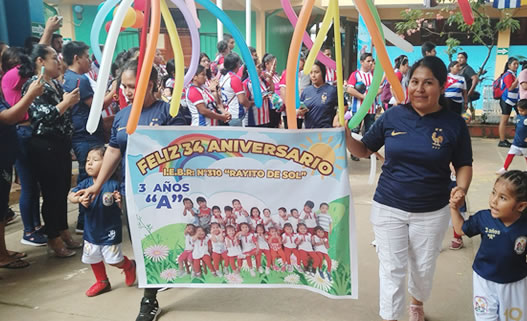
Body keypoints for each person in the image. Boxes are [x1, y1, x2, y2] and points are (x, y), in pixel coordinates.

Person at [345, 56, 473, 321]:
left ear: (442, 85)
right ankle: (390, 316)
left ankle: (417, 303)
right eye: (414, 81)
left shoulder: (454, 124)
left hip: (432, 210)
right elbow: (365, 148)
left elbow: (463, 163)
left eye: (428, 82)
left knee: (423, 268)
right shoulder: (393, 116)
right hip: (389, 205)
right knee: (391, 268)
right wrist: (346, 135)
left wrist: (461, 188)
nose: (419, 88)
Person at [75, 59, 187, 321]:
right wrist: (96, 185)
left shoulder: (171, 111)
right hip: (133, 193)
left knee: (168, 238)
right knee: (143, 242)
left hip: (166, 191)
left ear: (151, 85)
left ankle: (160, 281)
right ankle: (150, 297)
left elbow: (182, 148)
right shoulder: (122, 117)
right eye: (124, 86)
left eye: (133, 86)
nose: (126, 91)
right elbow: (114, 150)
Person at [20, 44, 82, 257]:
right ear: (41, 62)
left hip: (61, 144)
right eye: (54, 58)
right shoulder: (34, 85)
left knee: (62, 189)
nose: (59, 62)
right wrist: (65, 103)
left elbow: (62, 117)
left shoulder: (54, 84)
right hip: (44, 145)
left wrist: (69, 103)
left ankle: (63, 230)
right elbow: (41, 118)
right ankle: (53, 237)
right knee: (51, 193)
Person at [450, 170, 527, 321]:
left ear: (521, 206)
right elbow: (460, 229)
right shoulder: (483, 218)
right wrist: (454, 208)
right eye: (493, 193)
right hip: (484, 280)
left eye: (503, 198)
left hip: (515, 283)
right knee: (485, 318)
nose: (493, 201)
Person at [68, 146, 136, 297]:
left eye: (95, 160)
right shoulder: (85, 183)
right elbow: (71, 196)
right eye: (87, 160)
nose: (90, 164)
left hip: (110, 230)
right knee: (92, 257)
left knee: (113, 260)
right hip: (91, 230)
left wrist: (119, 201)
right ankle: (102, 281)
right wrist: (78, 199)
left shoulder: (114, 184)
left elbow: (122, 206)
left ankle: (129, 265)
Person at [1, 47, 46, 245]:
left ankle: (35, 227)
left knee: (32, 186)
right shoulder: (12, 75)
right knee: (28, 186)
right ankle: (29, 230)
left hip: (18, 137)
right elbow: (9, 117)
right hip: (20, 132)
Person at [63, 41, 106, 234]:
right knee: (89, 176)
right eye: (86, 56)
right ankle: (85, 220)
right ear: (76, 58)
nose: (89, 60)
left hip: (82, 135)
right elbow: (96, 106)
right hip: (86, 136)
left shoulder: (69, 77)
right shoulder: (80, 80)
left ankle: (86, 218)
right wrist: (114, 91)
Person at [298, 60, 338, 129]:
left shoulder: (332, 90)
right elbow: (299, 108)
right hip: (309, 133)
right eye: (311, 73)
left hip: (326, 133)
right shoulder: (306, 91)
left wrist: (337, 118)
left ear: (322, 72)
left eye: (316, 72)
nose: (313, 75)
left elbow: (344, 105)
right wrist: (300, 112)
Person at [219, 53, 252, 127]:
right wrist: (250, 103)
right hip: (235, 115)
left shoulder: (225, 77)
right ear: (237, 64)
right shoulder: (234, 79)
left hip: (229, 113)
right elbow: (242, 100)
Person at [347, 52, 376, 133]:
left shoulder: (374, 75)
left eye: (372, 61)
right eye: (368, 61)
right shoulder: (355, 74)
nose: (371, 63)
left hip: (371, 109)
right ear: (362, 62)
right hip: (358, 108)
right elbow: (349, 89)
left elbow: (380, 89)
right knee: (354, 131)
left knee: (370, 133)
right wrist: (364, 97)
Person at [497, 99, 527, 174]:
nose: (520, 112)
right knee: (510, 154)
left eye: (522, 111)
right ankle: (505, 168)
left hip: (525, 144)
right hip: (516, 142)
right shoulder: (518, 117)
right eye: (519, 110)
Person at [244, 59, 273, 127]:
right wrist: (259, 100)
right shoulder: (247, 84)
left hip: (265, 119)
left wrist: (270, 79)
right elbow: (245, 103)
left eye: (261, 67)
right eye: (259, 67)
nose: (261, 69)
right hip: (253, 121)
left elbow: (272, 91)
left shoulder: (262, 80)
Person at [497, 57, 520, 148]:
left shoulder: (513, 74)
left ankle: (519, 139)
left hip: (515, 100)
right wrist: (518, 79)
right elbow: (510, 87)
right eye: (514, 64)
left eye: (517, 64)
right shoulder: (507, 74)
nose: (516, 66)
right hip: (506, 100)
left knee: (521, 119)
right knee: (504, 120)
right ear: (509, 65)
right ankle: (502, 140)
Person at [261, 53, 282, 128]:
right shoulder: (264, 76)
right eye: (273, 65)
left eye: (276, 65)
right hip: (270, 108)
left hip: (278, 106)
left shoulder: (276, 75)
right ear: (266, 64)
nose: (275, 67)